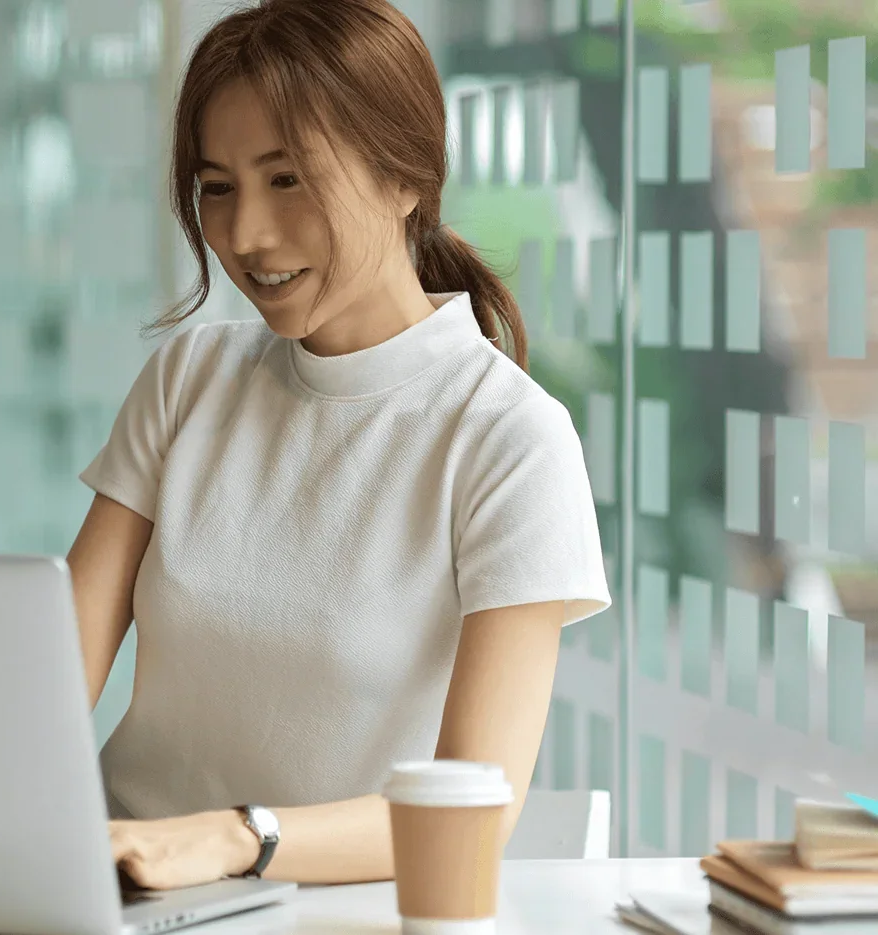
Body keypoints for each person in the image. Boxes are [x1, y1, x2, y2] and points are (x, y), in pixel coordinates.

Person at [66, 0, 611, 890]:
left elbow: (476, 805)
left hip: (321, 908)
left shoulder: (509, 439)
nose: (245, 236)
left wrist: (237, 838)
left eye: (288, 180)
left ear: (406, 178)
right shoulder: (189, 379)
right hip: (101, 885)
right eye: (217, 186)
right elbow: (45, 688)